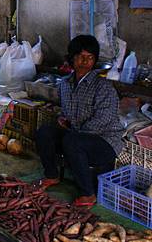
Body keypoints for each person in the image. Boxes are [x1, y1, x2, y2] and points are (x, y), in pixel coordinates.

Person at [35, 35, 123, 207]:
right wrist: (63, 119)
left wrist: (75, 132)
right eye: (81, 56)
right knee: (45, 131)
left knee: (72, 140)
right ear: (72, 58)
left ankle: (88, 193)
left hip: (105, 142)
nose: (85, 61)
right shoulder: (65, 84)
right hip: (78, 137)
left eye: (90, 58)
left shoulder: (103, 86)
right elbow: (68, 113)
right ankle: (51, 175)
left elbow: (103, 120)